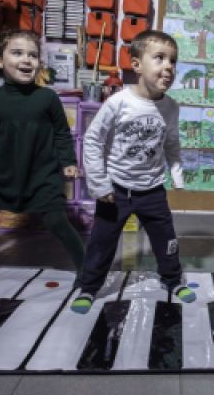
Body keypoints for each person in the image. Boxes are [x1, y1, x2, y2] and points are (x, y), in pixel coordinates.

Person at [71, 30, 196, 313]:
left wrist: (176, 174)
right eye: (160, 58)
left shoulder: (171, 107)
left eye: (173, 61)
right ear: (137, 65)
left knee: (166, 239)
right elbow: (92, 139)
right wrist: (99, 184)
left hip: (152, 190)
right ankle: (89, 287)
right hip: (115, 191)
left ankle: (173, 280)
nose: (169, 67)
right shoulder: (119, 102)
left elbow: (172, 143)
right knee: (102, 242)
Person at [0, 30, 84, 283]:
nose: (26, 59)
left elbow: (63, 134)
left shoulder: (48, 98)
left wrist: (68, 163)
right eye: (17, 53)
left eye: (32, 55)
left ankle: (86, 270)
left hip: (43, 177)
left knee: (57, 222)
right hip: (5, 175)